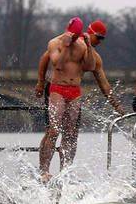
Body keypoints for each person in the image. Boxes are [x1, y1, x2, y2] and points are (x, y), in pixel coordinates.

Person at [35, 17, 95, 182]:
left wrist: (89, 46)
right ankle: (44, 170)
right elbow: (57, 64)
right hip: (58, 89)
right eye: (74, 36)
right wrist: (67, 47)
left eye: (78, 36)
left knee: (70, 133)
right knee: (54, 130)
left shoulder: (82, 45)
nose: (76, 39)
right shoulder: (55, 43)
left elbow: (90, 66)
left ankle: (65, 171)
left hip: (75, 90)